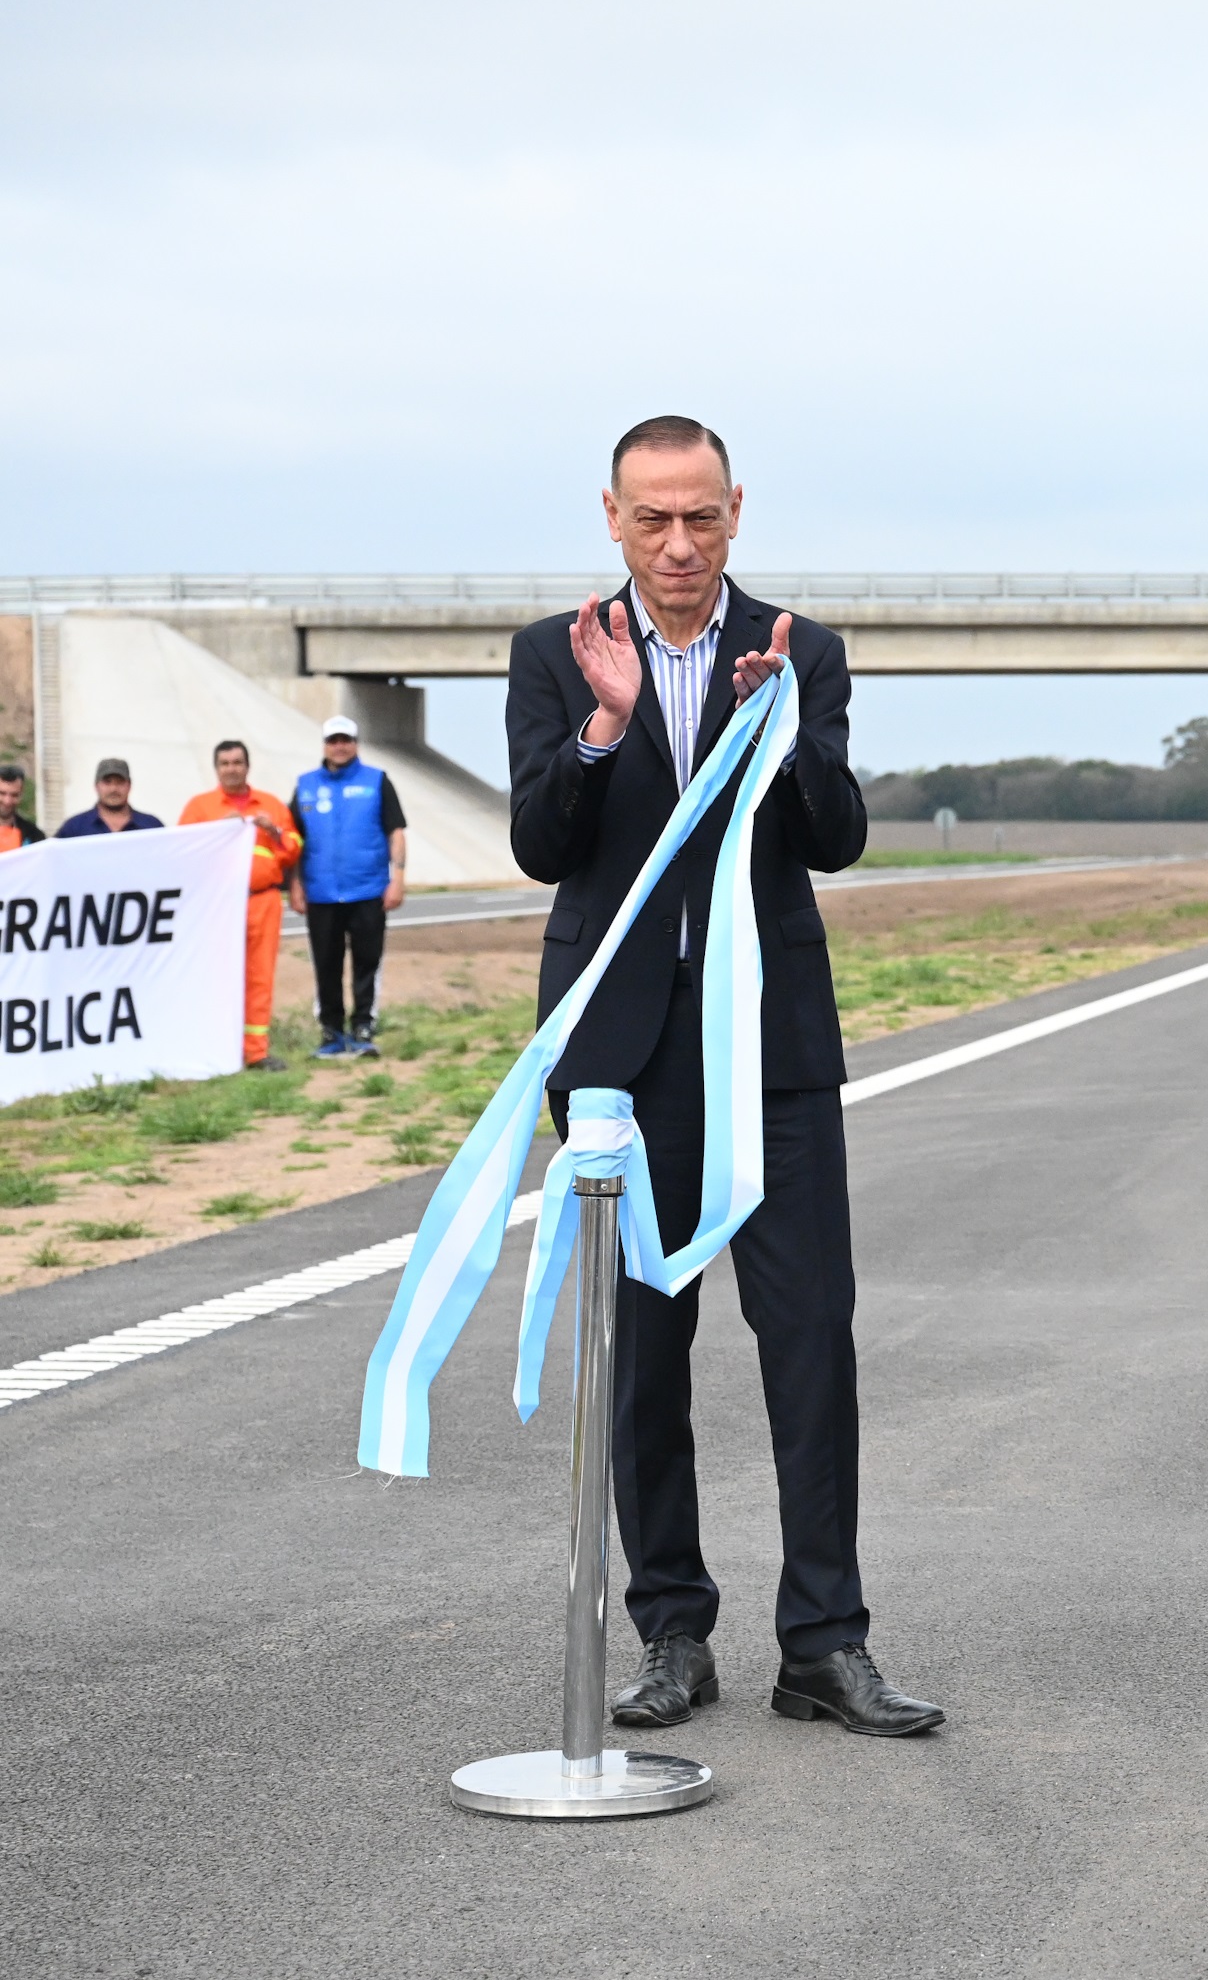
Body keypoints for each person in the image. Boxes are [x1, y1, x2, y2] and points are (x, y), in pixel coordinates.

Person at [504, 414, 941, 1738]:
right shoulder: (556, 653)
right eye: (655, 520)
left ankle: (825, 1642)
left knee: (809, 1345)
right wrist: (601, 728)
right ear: (613, 517)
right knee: (643, 1355)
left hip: (772, 1048)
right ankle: (671, 1634)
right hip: (621, 1063)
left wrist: (781, 729)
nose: (681, 545)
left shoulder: (797, 646)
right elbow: (538, 844)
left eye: (702, 518)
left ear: (736, 511)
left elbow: (840, 837)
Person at [178, 741, 302, 1070]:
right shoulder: (200, 808)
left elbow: (293, 849)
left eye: (237, 762)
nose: (231, 768)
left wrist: (273, 831)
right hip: (219, 905)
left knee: (259, 977)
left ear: (247, 766)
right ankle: (217, 1047)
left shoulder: (272, 805)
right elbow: (184, 854)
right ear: (216, 768)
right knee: (217, 975)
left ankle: (256, 1052)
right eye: (225, 763)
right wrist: (219, 831)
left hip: (263, 901)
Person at [291, 715, 406, 1060]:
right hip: (321, 893)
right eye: (333, 740)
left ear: (355, 743)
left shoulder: (377, 781)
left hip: (368, 890)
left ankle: (363, 1027)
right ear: (325, 745)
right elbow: (293, 840)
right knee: (326, 963)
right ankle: (330, 1030)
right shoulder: (305, 785)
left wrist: (397, 878)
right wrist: (295, 886)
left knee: (366, 962)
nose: (339, 746)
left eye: (346, 740)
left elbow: (395, 831)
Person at [55, 757, 164, 836]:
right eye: (107, 782)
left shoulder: (151, 827)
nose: (113, 789)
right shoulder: (75, 828)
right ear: (96, 786)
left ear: (129, 786)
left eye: (120, 782)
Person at [0, 765, 43, 850]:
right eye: (2, 793)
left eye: (14, 795)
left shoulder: (34, 835)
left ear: (21, 795)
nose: (7, 801)